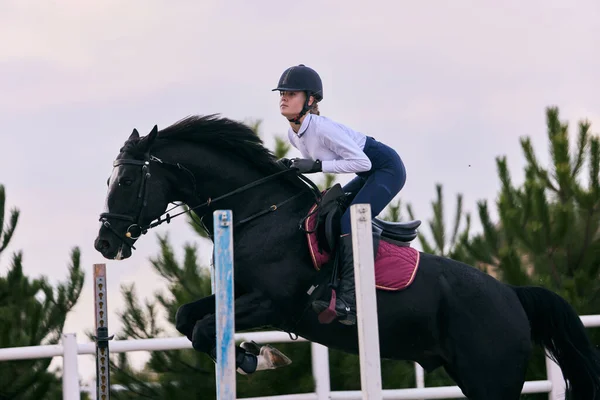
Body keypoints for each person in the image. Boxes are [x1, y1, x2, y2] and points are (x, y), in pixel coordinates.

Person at [272, 64, 407, 325]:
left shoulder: (321, 128)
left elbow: (363, 163)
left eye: (291, 93)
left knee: (348, 223)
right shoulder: (294, 133)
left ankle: (351, 302)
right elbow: (318, 159)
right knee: (330, 213)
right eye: (282, 93)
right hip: (370, 172)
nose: (283, 98)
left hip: (386, 169)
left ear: (310, 100)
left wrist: (317, 166)